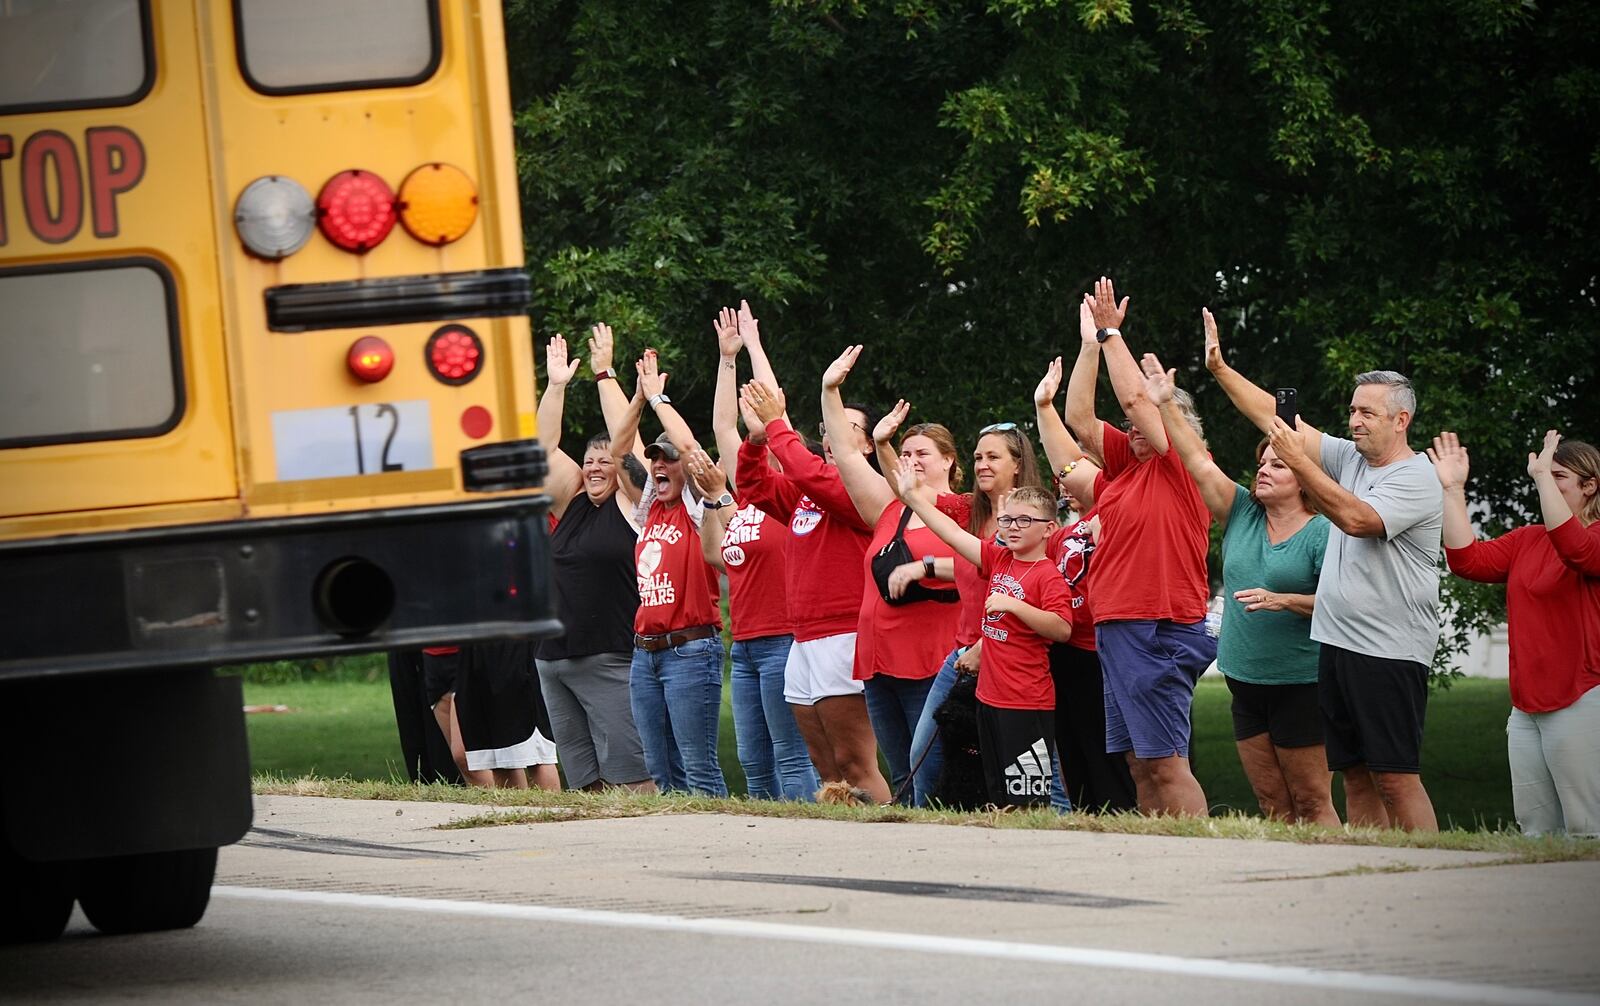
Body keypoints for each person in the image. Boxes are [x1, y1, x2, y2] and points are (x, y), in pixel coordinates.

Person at [1206, 309, 1444, 831]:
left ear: (1401, 420)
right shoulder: (1353, 460)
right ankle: (1369, 863)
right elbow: (1277, 420)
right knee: (1355, 773)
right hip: (1337, 646)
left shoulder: (1415, 477)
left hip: (1388, 649)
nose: (1355, 421)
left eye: (1368, 414)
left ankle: (1429, 865)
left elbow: (1358, 519)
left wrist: (1301, 458)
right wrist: (1221, 369)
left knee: (1395, 776)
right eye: (1353, 410)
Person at [1140, 352, 1337, 825]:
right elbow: (1194, 460)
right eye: (1262, 463)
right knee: (1272, 803)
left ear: (1306, 477)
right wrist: (1166, 405)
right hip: (1244, 678)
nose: (1264, 471)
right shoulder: (1244, 511)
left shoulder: (1324, 531)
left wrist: (1284, 600)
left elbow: (1345, 604)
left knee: (1311, 801)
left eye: (1280, 466)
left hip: (1301, 682)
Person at [1065, 279, 1216, 818]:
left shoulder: (1182, 461)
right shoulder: (1127, 469)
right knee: (1138, 761)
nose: (1131, 427)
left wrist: (1110, 334)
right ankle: (1160, 854)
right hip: (1121, 627)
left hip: (1156, 625)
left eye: (1142, 422)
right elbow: (1080, 420)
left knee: (1168, 761)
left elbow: (1135, 396)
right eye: (1128, 426)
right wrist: (1088, 348)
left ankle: (1196, 856)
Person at [1433, 430, 1600, 837]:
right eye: (1546, 475)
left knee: (1587, 828)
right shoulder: (1528, 539)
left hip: (1580, 696)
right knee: (1536, 830)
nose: (1547, 480)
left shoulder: (1594, 538)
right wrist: (1453, 489)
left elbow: (1576, 551)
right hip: (1526, 707)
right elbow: (1466, 561)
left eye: (1559, 476)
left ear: (1590, 485)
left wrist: (1541, 474)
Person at [686, 304, 819, 801]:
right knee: (752, 758)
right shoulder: (745, 500)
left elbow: (773, 414)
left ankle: (807, 834)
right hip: (743, 645)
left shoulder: (795, 503)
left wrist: (758, 350)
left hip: (784, 640)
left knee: (789, 753)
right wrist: (728, 358)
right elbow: (725, 428)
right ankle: (763, 843)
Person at [818, 346, 963, 802]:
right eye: (905, 452)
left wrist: (925, 567)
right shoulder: (888, 508)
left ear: (949, 462)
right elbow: (844, 452)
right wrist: (830, 388)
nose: (913, 459)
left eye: (923, 453)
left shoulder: (963, 510)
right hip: (879, 659)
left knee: (931, 769)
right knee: (901, 772)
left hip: (930, 658)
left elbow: (988, 567)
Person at [739, 375, 891, 804]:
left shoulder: (862, 489)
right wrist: (754, 440)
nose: (829, 437)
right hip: (804, 638)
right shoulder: (809, 494)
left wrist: (776, 426)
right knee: (824, 763)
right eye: (825, 429)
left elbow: (805, 470)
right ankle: (841, 842)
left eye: (845, 429)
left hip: (843, 634)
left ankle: (888, 838)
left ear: (866, 445)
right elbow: (754, 487)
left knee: (854, 762)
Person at [895, 464, 1075, 807]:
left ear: (1049, 529)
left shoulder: (1047, 575)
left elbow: (1062, 628)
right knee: (998, 792)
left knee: (1029, 795)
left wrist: (1014, 606)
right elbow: (952, 535)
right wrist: (913, 499)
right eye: (1007, 520)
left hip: (1025, 701)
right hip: (990, 697)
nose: (1013, 527)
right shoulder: (1000, 559)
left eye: (1025, 521)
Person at [533, 331, 655, 793]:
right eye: (589, 460)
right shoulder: (573, 503)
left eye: (605, 461)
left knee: (631, 778)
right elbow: (542, 450)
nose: (596, 467)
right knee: (584, 785)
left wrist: (605, 374)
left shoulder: (632, 507)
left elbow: (629, 450)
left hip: (607, 659)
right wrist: (557, 386)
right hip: (552, 660)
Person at [613, 349, 728, 797]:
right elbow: (620, 451)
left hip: (689, 651)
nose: (659, 465)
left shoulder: (696, 508)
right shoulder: (649, 509)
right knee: (661, 774)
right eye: (655, 459)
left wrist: (660, 398)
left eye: (667, 459)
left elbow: (692, 451)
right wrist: (638, 399)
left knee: (698, 772)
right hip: (645, 655)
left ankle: (719, 852)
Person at [1034, 355, 1138, 814]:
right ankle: (1088, 831)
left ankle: (1124, 829)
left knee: (1109, 759)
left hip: (1106, 649)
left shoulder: (1125, 500)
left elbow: (1068, 455)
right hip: (1067, 650)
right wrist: (1043, 409)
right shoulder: (1076, 523)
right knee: (1075, 757)